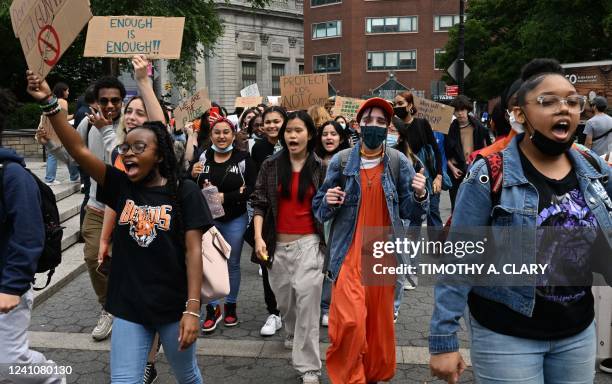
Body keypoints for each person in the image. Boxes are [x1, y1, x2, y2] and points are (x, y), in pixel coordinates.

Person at [429, 58, 612, 384]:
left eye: (572, 101)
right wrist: (443, 339)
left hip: (577, 332)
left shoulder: (589, 163)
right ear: (519, 114)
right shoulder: (488, 172)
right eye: (548, 101)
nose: (564, 109)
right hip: (507, 334)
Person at [27, 71, 212, 384]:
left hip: (173, 305)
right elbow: (79, 150)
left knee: (187, 375)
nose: (128, 153)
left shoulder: (184, 191)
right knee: (124, 380)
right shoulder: (120, 185)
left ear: (159, 155)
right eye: (126, 148)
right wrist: (49, 102)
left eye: (139, 148)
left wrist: (192, 309)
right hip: (128, 305)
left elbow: (195, 251)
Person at [313, 98, 428, 383]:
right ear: (358, 125)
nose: (374, 126)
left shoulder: (398, 162)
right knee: (350, 322)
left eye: (381, 122)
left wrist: (421, 195)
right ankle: (352, 378)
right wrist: (328, 200)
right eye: (369, 120)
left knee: (377, 328)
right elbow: (320, 208)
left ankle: (371, 375)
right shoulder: (341, 161)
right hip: (349, 253)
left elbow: (411, 212)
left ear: (388, 128)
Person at [252, 111, 327, 384]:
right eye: (288, 131)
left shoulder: (321, 167)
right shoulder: (271, 165)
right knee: (286, 304)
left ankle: (309, 368)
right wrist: (259, 237)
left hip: (309, 244)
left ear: (309, 134)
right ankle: (291, 330)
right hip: (276, 247)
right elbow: (259, 202)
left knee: (308, 304)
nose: (292, 136)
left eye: (298, 131)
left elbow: (327, 208)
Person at [0, 88, 65, 384]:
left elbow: (28, 236)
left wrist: (12, 287)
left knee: (11, 362)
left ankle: (52, 377)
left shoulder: (12, 174)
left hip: (7, 284)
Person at [191, 117, 256, 333]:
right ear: (211, 136)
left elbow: (251, 189)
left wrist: (225, 197)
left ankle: (230, 306)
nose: (221, 136)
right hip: (207, 221)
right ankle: (212, 310)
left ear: (233, 134)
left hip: (234, 219)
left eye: (226, 132)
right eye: (217, 132)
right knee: (208, 264)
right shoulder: (203, 157)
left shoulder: (243, 158)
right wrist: (191, 174)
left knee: (232, 264)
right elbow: (190, 185)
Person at [76, 75, 126, 342]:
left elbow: (120, 163)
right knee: (93, 258)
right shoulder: (87, 124)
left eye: (114, 100)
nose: (109, 106)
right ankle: (109, 307)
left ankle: (132, 310)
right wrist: (49, 143)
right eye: (103, 100)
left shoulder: (131, 125)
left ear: (122, 101)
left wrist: (107, 129)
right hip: (97, 206)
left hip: (129, 210)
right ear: (96, 101)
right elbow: (75, 156)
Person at [250, 106, 286, 336]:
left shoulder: (297, 143)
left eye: (277, 121)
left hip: (294, 216)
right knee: (267, 261)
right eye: (267, 122)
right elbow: (257, 185)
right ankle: (273, 312)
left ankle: (291, 312)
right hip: (268, 214)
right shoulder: (260, 148)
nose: (272, 126)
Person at [314, 120, 350, 327]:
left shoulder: (349, 160)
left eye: (334, 134)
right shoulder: (313, 160)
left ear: (341, 137)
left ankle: (330, 305)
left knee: (335, 259)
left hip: (341, 217)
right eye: (325, 134)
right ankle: (322, 305)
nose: (329, 137)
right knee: (322, 261)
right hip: (319, 214)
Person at [393, 91, 444, 227]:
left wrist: (439, 176)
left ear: (410, 105)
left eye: (400, 103)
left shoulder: (422, 124)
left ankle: (437, 247)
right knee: (412, 220)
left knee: (433, 216)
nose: (397, 107)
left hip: (428, 178)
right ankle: (410, 248)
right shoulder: (393, 127)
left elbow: (436, 151)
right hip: (406, 181)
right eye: (395, 104)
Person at [444, 95, 492, 210]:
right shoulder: (449, 129)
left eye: (462, 110)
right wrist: (452, 169)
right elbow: (444, 152)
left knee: (475, 205)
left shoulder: (479, 128)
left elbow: (488, 149)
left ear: (468, 110)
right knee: (456, 205)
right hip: (456, 170)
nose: (460, 113)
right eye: (457, 110)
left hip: (475, 167)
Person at [42, 82, 80, 185]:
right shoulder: (62, 101)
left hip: (47, 131)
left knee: (53, 153)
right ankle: (72, 177)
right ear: (62, 91)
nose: (68, 92)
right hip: (57, 132)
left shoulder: (51, 101)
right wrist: (75, 115)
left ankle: (51, 178)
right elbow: (63, 119)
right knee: (67, 154)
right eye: (67, 90)